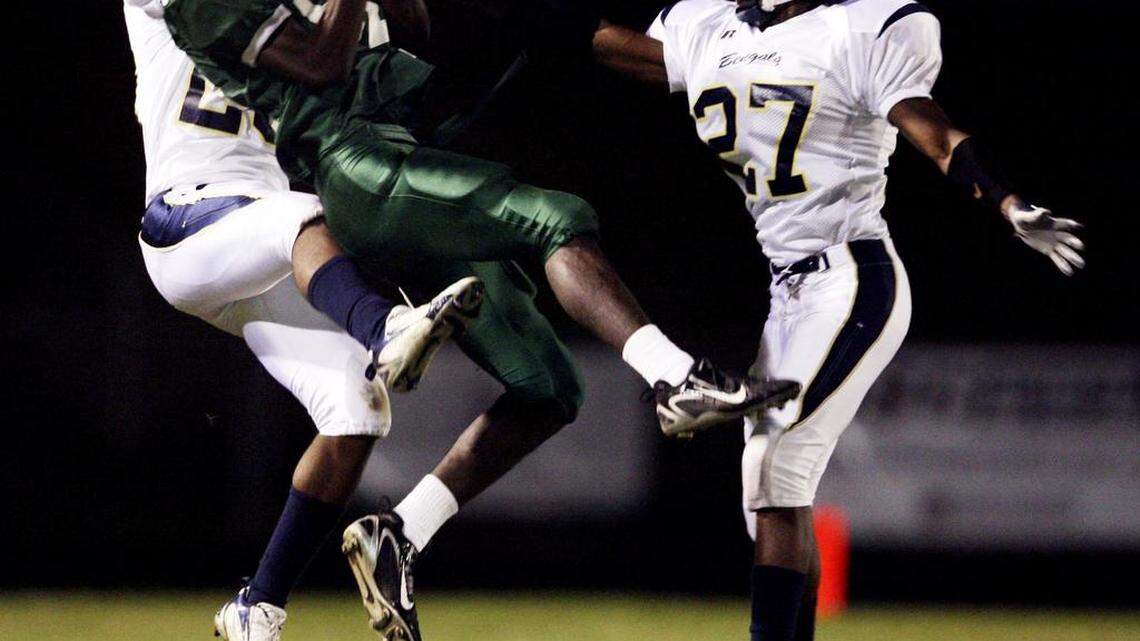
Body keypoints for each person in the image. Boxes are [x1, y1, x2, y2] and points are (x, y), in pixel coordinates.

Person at [157, 2, 802, 639]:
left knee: (550, 389)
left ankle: (400, 534)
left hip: (404, 163)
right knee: (552, 218)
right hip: (356, 170)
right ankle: (675, 376)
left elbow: (432, 44)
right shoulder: (207, 11)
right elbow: (323, 66)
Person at [590, 1, 1086, 639]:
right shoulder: (709, 29)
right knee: (770, 496)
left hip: (852, 278)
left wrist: (1006, 201)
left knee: (773, 465)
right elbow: (607, 45)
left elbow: (936, 136)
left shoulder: (855, 29)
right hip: (787, 292)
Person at [124, 2, 483, 638]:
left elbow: (413, 31)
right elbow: (319, 61)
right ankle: (386, 328)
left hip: (264, 248)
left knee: (359, 409)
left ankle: (256, 608)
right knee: (302, 215)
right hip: (188, 218)